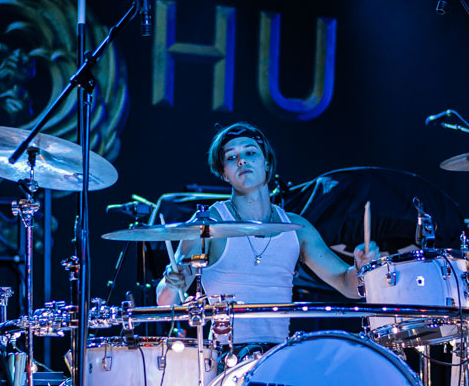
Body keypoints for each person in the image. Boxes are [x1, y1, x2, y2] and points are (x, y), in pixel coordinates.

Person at [156, 122, 379, 346]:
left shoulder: (296, 228)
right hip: (225, 356)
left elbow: (347, 285)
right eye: (231, 157)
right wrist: (172, 282)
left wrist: (362, 269)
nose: (241, 161)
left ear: (267, 163)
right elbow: (164, 302)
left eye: (250, 152)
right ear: (224, 173)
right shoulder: (207, 225)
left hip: (278, 354)